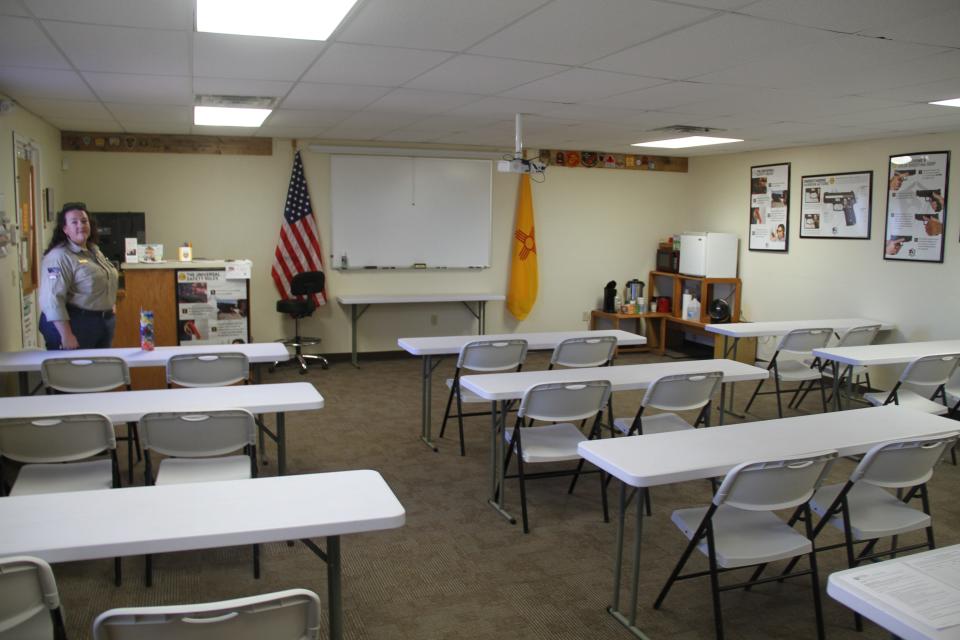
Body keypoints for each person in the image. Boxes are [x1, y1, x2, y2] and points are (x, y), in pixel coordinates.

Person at [39, 202, 120, 350]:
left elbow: (104, 279)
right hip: (76, 324)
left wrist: (108, 303)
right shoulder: (59, 256)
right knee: (75, 372)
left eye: (84, 221)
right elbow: (51, 298)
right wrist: (66, 335)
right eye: (74, 222)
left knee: (99, 371)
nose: (80, 225)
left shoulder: (94, 250)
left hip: (102, 323)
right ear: (65, 229)